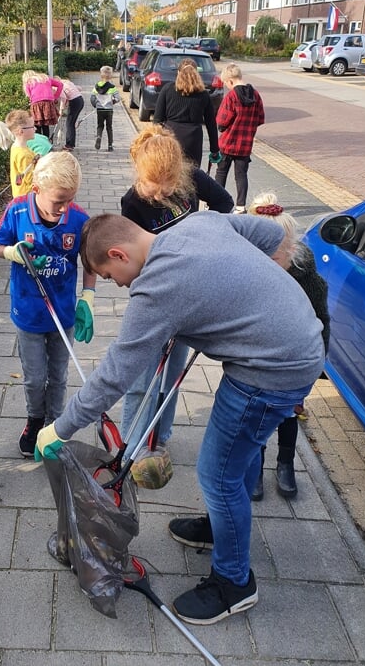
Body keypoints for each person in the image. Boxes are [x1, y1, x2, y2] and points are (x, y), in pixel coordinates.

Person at [35, 211, 323, 625]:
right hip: (297, 344)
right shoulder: (195, 225)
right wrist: (257, 290)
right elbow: (272, 233)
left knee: (217, 474)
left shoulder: (157, 287)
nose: (120, 285)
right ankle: (223, 530)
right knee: (235, 458)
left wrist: (59, 427)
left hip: (272, 371)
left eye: (111, 275)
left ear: (118, 253)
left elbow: (115, 374)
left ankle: (234, 583)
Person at [116, 126, 232, 487]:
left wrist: (203, 231)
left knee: (174, 371)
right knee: (141, 375)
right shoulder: (131, 203)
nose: (163, 192)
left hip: (191, 291)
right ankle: (131, 444)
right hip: (156, 295)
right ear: (141, 174)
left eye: (169, 184)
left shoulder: (192, 179)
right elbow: (132, 263)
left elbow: (225, 204)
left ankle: (159, 436)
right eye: (155, 185)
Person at [0, 151, 97, 457]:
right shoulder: (18, 211)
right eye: (58, 202)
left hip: (63, 313)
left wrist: (87, 298)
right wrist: (12, 253)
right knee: (36, 378)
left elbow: (89, 262)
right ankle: (35, 419)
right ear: (36, 189)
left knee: (60, 375)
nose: (63, 209)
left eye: (69, 200)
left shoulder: (78, 219)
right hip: (29, 312)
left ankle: (55, 424)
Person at [245, 192, 330, 500]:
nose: (267, 263)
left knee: (289, 413)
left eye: (274, 256)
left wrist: (313, 373)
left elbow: (322, 323)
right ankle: (254, 464)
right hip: (257, 357)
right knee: (255, 413)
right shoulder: (246, 268)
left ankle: (285, 463)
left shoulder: (307, 278)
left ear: (290, 249)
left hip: (294, 359)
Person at [214, 64, 267, 214]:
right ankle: (240, 206)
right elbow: (260, 118)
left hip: (228, 143)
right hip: (245, 145)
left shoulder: (231, 96)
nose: (226, 86)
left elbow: (222, 120)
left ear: (230, 81)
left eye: (225, 83)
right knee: (241, 175)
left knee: (221, 172)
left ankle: (217, 203)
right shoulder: (256, 95)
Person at [152, 59, 220, 168]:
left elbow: (157, 120)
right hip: (194, 140)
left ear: (178, 73)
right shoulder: (203, 94)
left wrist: (156, 142)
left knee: (171, 173)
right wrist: (214, 150)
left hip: (171, 137)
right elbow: (211, 124)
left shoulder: (167, 89)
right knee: (193, 175)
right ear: (196, 74)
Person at [2, 109, 51, 198]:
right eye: (32, 126)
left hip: (20, 193)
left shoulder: (16, 147)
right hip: (26, 197)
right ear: (21, 131)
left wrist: (36, 158)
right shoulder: (24, 155)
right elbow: (31, 181)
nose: (35, 129)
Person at [22, 70, 64, 139]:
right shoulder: (45, 78)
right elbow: (60, 85)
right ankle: (46, 142)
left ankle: (39, 142)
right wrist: (55, 96)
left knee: (37, 124)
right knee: (45, 124)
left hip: (36, 104)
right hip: (48, 103)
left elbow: (30, 96)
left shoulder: (28, 82)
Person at [90, 65, 119, 152]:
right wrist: (112, 101)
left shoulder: (96, 86)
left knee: (100, 125)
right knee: (109, 127)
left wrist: (96, 104)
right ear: (110, 76)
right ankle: (110, 146)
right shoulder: (112, 87)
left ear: (101, 75)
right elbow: (117, 98)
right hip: (109, 110)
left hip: (100, 110)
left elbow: (92, 98)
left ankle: (99, 136)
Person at [59, 76, 85, 151]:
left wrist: (61, 109)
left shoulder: (60, 85)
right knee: (72, 123)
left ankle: (69, 145)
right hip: (80, 100)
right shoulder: (68, 83)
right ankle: (71, 144)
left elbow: (63, 97)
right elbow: (80, 88)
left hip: (74, 102)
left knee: (69, 123)